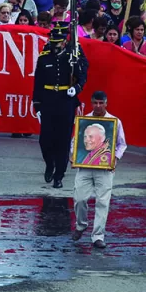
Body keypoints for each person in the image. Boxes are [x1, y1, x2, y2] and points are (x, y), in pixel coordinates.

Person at [33, 16, 87, 189]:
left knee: (63, 139)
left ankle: (59, 175)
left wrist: (76, 88)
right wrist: (37, 105)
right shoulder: (44, 58)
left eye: (58, 43)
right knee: (45, 139)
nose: (55, 46)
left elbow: (82, 76)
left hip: (65, 100)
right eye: (53, 42)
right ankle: (50, 164)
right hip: (48, 100)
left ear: (64, 42)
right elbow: (38, 82)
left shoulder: (72, 57)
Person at [71, 90, 126, 248]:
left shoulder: (115, 121)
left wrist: (115, 158)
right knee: (79, 198)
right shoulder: (84, 120)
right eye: (95, 103)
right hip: (85, 166)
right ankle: (81, 225)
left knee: (102, 201)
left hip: (105, 167)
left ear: (106, 103)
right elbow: (75, 141)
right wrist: (73, 155)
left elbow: (122, 144)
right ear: (91, 103)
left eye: (101, 103)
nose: (98, 106)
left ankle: (98, 236)